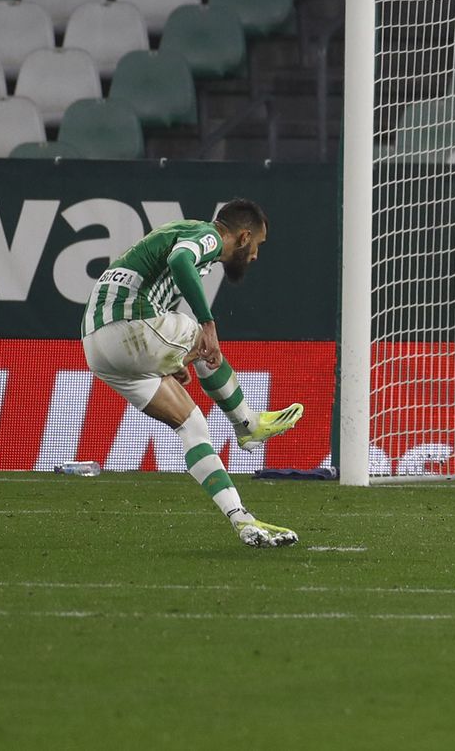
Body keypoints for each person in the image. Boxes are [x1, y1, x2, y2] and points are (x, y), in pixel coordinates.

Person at [80, 198, 304, 548]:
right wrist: (207, 323)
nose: (256, 255)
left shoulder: (182, 235)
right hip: (127, 323)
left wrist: (175, 359)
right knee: (202, 338)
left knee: (192, 424)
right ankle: (248, 424)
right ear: (244, 237)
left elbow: (165, 279)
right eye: (258, 245)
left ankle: (240, 518)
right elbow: (179, 259)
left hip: (98, 348)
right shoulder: (206, 235)